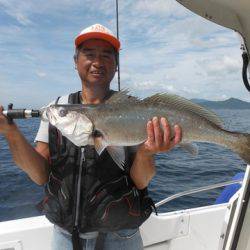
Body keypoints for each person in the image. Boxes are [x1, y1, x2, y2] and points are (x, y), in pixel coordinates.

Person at [0, 24, 182, 250]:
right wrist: (11, 132)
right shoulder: (56, 109)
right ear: (75, 61)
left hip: (120, 237)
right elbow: (39, 176)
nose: (98, 61)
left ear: (116, 65)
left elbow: (141, 181)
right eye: (89, 54)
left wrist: (146, 152)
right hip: (65, 237)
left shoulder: (133, 110)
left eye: (106, 55)